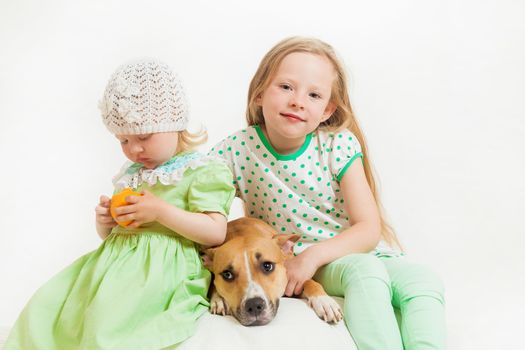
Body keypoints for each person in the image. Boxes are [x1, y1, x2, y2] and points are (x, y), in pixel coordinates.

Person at [209, 37, 445, 349]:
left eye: (314, 94)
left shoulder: (338, 144)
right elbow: (198, 203)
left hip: (340, 250)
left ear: (326, 110)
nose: (298, 101)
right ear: (259, 94)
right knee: (365, 271)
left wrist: (314, 256)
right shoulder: (234, 150)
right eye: (286, 87)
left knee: (423, 279)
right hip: (302, 259)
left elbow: (368, 229)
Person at [5, 59, 235, 349]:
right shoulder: (132, 175)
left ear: (176, 125)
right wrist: (107, 223)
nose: (134, 148)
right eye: (123, 140)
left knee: (109, 321)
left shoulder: (201, 170)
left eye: (143, 136)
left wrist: (160, 211)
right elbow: (115, 238)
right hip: (109, 268)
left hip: (160, 273)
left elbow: (216, 232)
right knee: (51, 304)